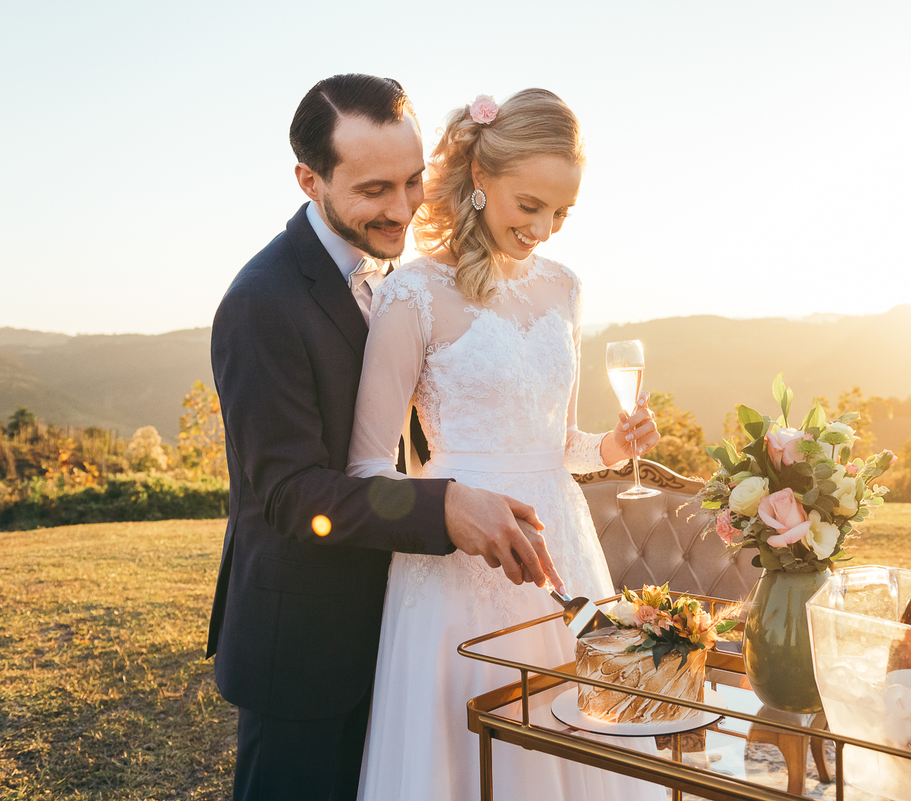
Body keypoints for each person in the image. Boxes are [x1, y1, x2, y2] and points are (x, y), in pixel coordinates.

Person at [207, 74, 566, 801]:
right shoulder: (260, 303)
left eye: (412, 182)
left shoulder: (396, 277)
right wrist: (444, 508)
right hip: (302, 648)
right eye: (374, 190)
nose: (401, 208)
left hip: (400, 623)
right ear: (310, 179)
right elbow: (290, 494)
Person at [348, 89, 666, 800]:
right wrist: (451, 509)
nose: (545, 228)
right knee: (474, 757)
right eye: (530, 206)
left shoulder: (564, 289)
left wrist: (613, 446)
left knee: (584, 745)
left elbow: (559, 445)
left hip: (562, 553)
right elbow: (365, 471)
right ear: (482, 179)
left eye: (562, 212)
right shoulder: (413, 296)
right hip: (455, 572)